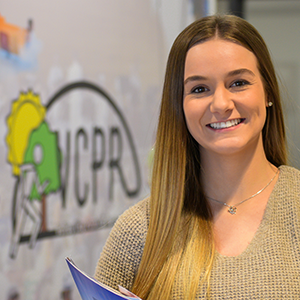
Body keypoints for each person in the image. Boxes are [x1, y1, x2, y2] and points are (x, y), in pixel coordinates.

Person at [94, 15, 300, 299]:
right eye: (199, 89)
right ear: (179, 105)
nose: (221, 104)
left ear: (267, 92)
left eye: (238, 83)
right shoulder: (139, 230)